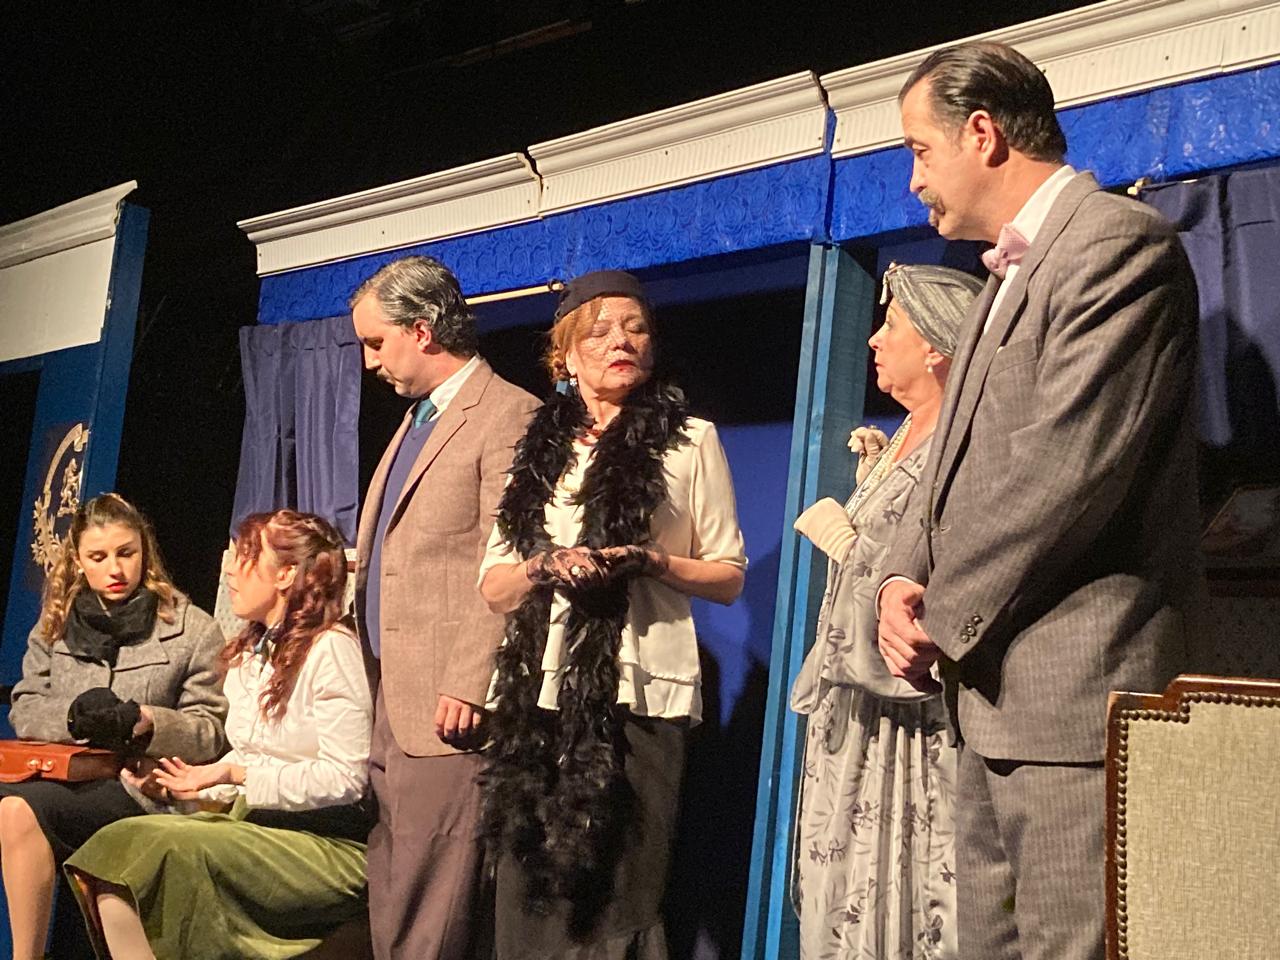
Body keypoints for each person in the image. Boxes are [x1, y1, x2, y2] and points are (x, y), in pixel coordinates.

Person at [877, 42, 1201, 960]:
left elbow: (1064, 468)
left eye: (919, 151)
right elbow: (953, 460)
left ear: (981, 134)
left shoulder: (1116, 245)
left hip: (1074, 701)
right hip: (991, 697)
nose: (913, 181)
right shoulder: (1003, 276)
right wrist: (900, 576)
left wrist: (941, 611)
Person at [479, 269, 747, 960]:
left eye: (635, 328)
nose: (620, 341)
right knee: (530, 889)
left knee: (623, 893)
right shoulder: (535, 452)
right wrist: (544, 566)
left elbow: (727, 576)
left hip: (640, 688)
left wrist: (651, 561)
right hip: (538, 693)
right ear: (566, 356)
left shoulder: (691, 441)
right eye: (598, 332)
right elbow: (495, 585)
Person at [65, 509, 374, 960]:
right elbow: (248, 763)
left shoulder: (331, 650)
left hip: (327, 841)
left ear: (286, 573)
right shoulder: (252, 652)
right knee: (116, 851)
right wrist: (185, 786)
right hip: (259, 826)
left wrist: (235, 774)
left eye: (246, 556)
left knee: (164, 849)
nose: (230, 569)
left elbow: (348, 778)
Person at [349, 254, 538, 960]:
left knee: (434, 899)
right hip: (391, 693)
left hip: (447, 701)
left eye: (377, 342)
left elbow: (510, 558)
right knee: (396, 884)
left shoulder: (508, 414)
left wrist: (470, 678)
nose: (370, 362)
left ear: (422, 330)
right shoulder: (416, 419)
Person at [790, 264, 982, 960]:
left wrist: (848, 544)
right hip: (861, 715)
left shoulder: (958, 443)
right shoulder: (905, 433)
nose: (874, 340)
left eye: (891, 325)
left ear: (934, 345)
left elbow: (941, 565)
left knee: (907, 883)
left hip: (910, 716)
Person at [0, 492, 227, 960]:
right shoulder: (55, 624)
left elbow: (210, 732)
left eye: (126, 553)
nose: (115, 569)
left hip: (145, 789)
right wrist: (73, 718)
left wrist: (147, 722)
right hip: (70, 776)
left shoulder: (192, 629)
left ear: (145, 551)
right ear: (79, 561)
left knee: (21, 809)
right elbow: (24, 706)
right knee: (15, 807)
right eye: (98, 557)